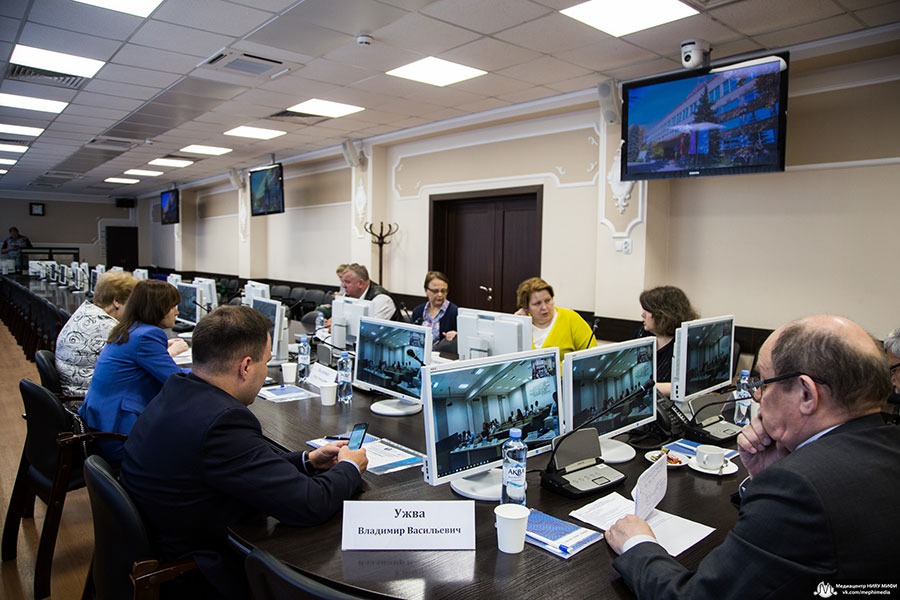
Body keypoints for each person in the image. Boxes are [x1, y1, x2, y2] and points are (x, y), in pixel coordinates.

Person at [607, 315, 900, 599]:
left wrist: (637, 543)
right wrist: (764, 478)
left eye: (763, 384)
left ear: (806, 395)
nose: (757, 396)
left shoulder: (798, 488)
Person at [120, 306, 367, 599]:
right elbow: (310, 504)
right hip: (198, 572)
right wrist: (350, 467)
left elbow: (243, 465)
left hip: (162, 538)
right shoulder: (222, 421)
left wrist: (308, 461)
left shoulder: (179, 389)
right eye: (266, 362)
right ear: (246, 366)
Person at [78, 279, 189, 461]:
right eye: (173, 306)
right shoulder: (148, 335)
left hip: (101, 424)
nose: (177, 311)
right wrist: (214, 372)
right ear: (157, 308)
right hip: (122, 435)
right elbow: (177, 379)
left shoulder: (129, 329)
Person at [55, 271, 138, 397]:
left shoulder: (86, 312)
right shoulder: (107, 327)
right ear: (116, 301)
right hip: (86, 399)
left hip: (73, 390)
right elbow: (134, 365)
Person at [637, 285, 699, 396]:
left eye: (647, 310)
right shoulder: (642, 333)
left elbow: (688, 387)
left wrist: (645, 388)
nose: (642, 314)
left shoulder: (687, 344)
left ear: (663, 314)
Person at [515, 277, 596, 358]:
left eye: (548, 300)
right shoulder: (521, 325)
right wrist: (516, 323)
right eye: (537, 303)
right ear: (526, 307)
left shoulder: (571, 318)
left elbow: (592, 355)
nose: (544, 307)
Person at [411, 271, 458, 348]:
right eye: (435, 291)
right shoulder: (418, 311)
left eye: (443, 291)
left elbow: (463, 337)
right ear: (426, 290)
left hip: (442, 354)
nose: (440, 295)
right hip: (419, 353)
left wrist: (456, 335)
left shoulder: (454, 312)